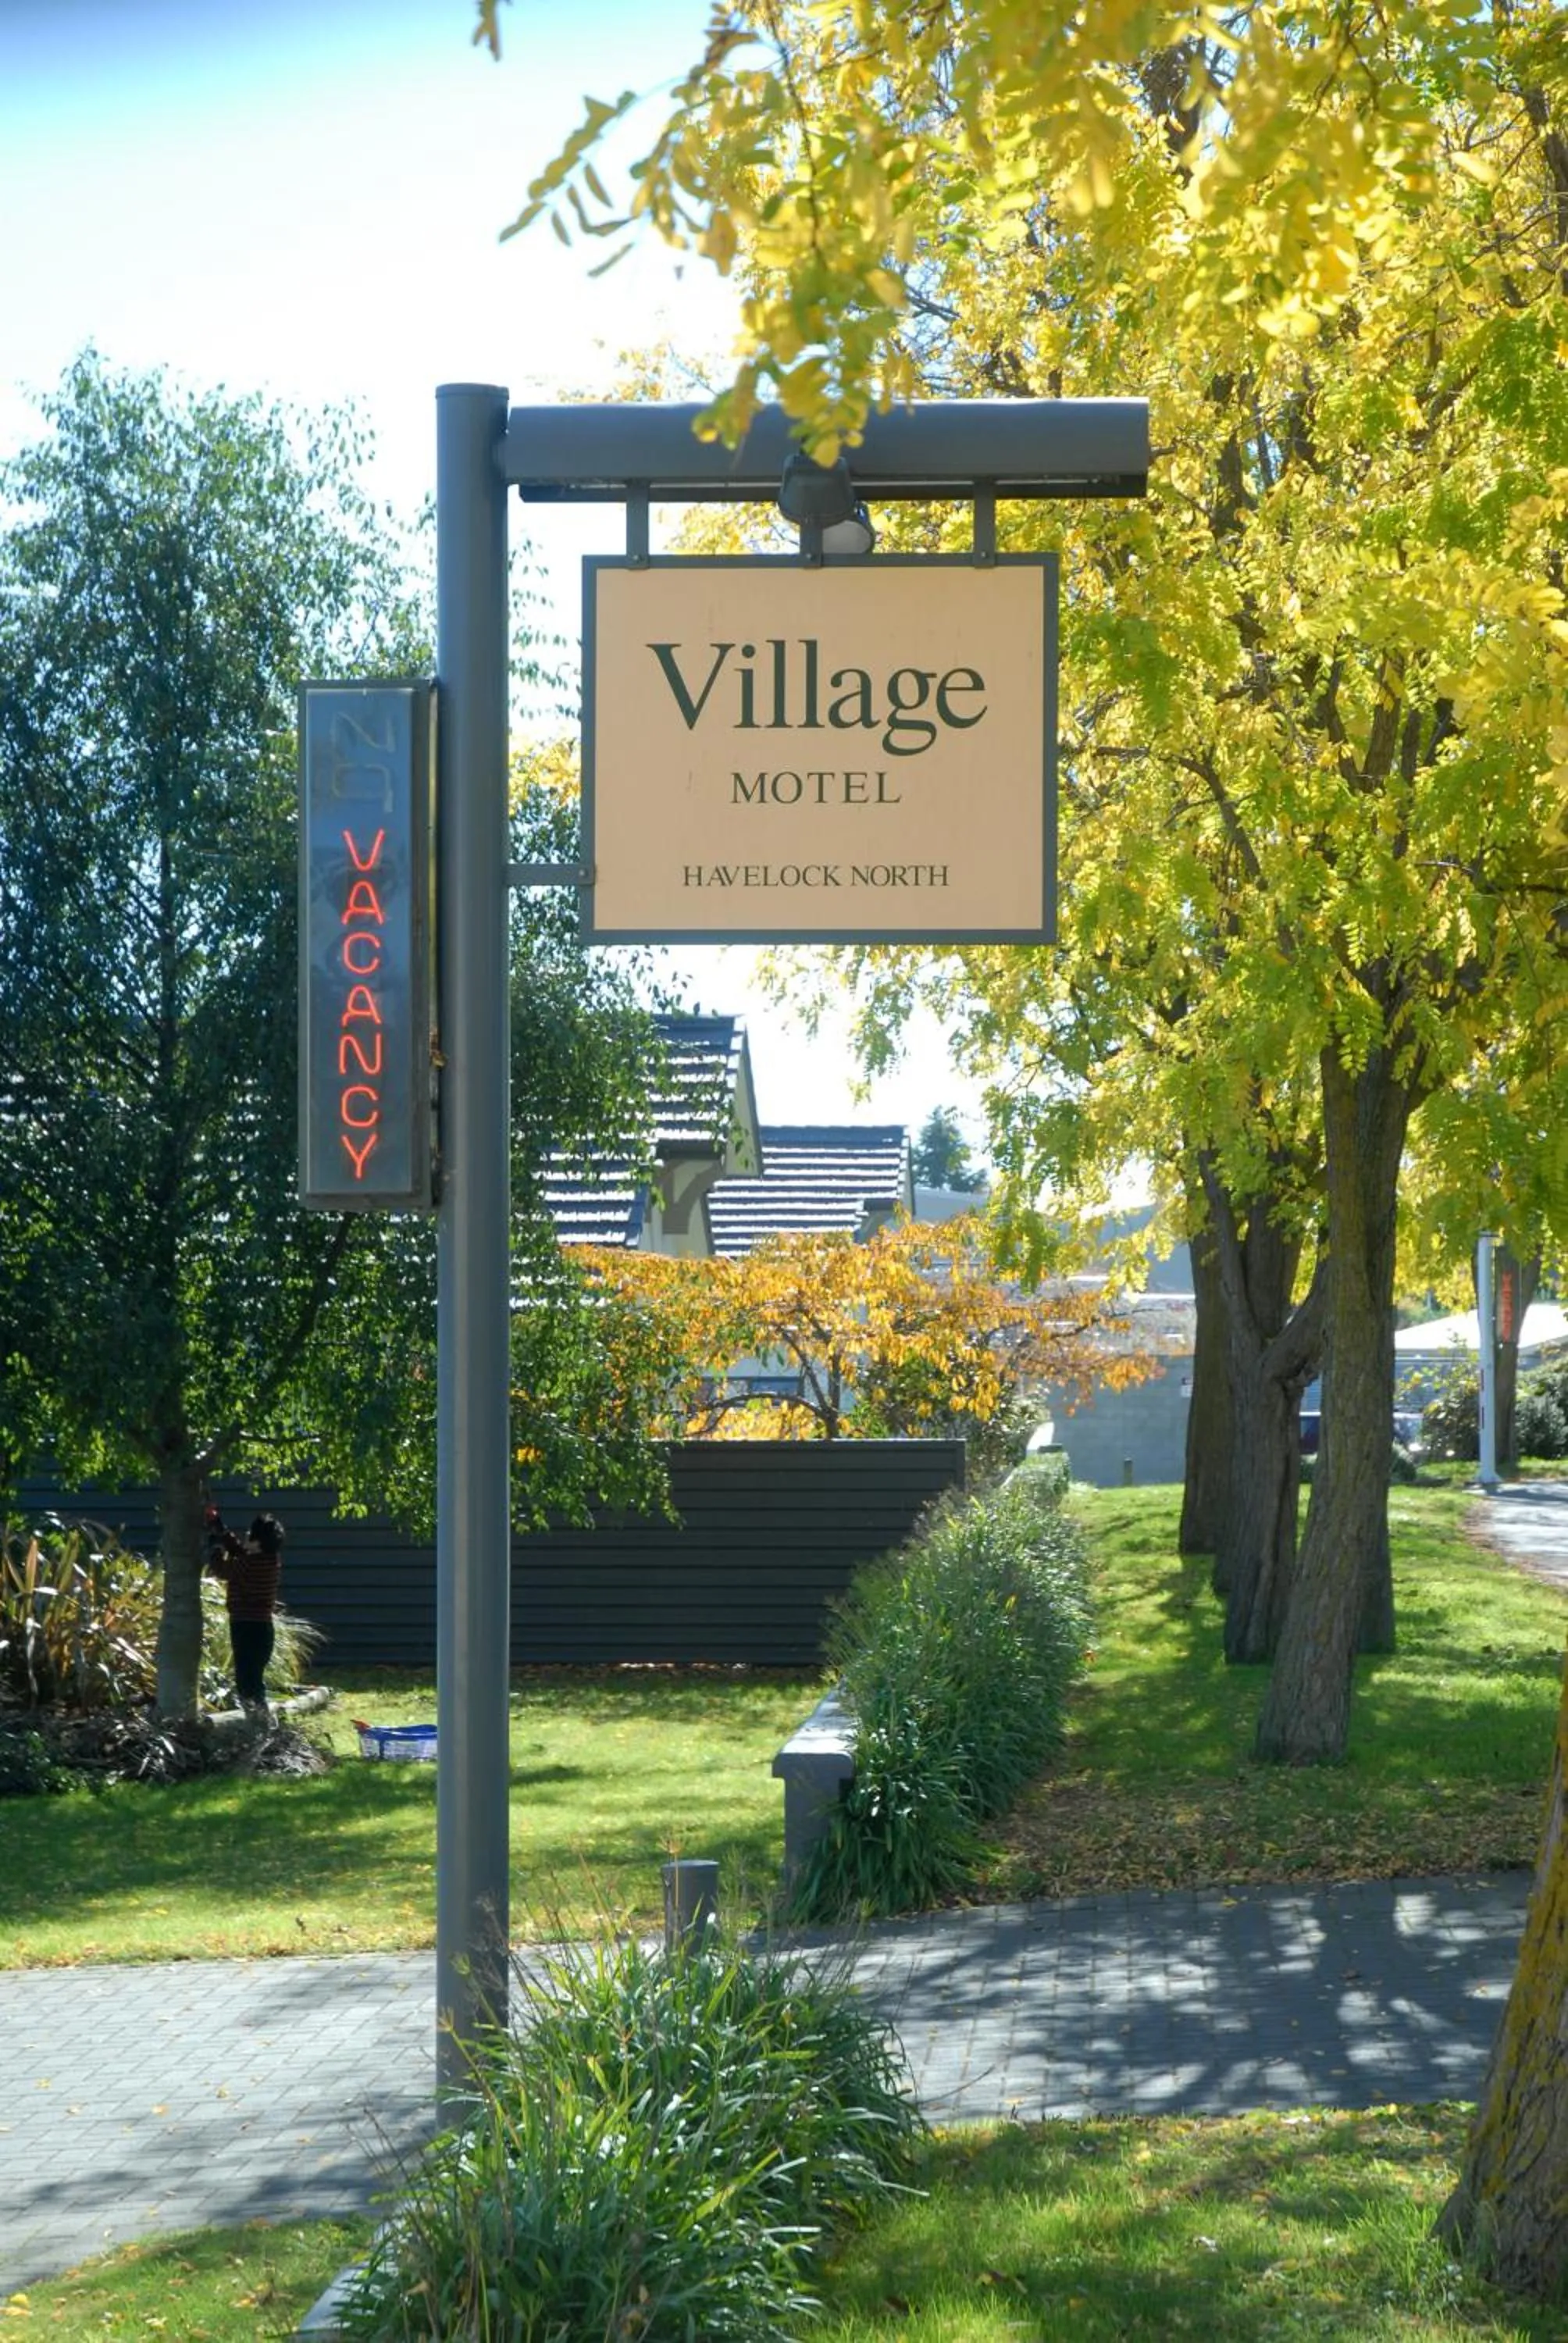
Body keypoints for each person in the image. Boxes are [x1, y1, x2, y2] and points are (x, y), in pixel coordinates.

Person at [205, 1507, 285, 1720]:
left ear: (257, 1541)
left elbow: (221, 1569)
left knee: (247, 1681)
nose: (246, 1536)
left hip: (245, 1628)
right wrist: (220, 1528)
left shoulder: (249, 1564)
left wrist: (215, 1545)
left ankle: (259, 1724)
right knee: (254, 1679)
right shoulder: (270, 1560)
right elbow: (240, 1551)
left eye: (250, 1534)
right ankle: (261, 1722)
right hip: (262, 1628)